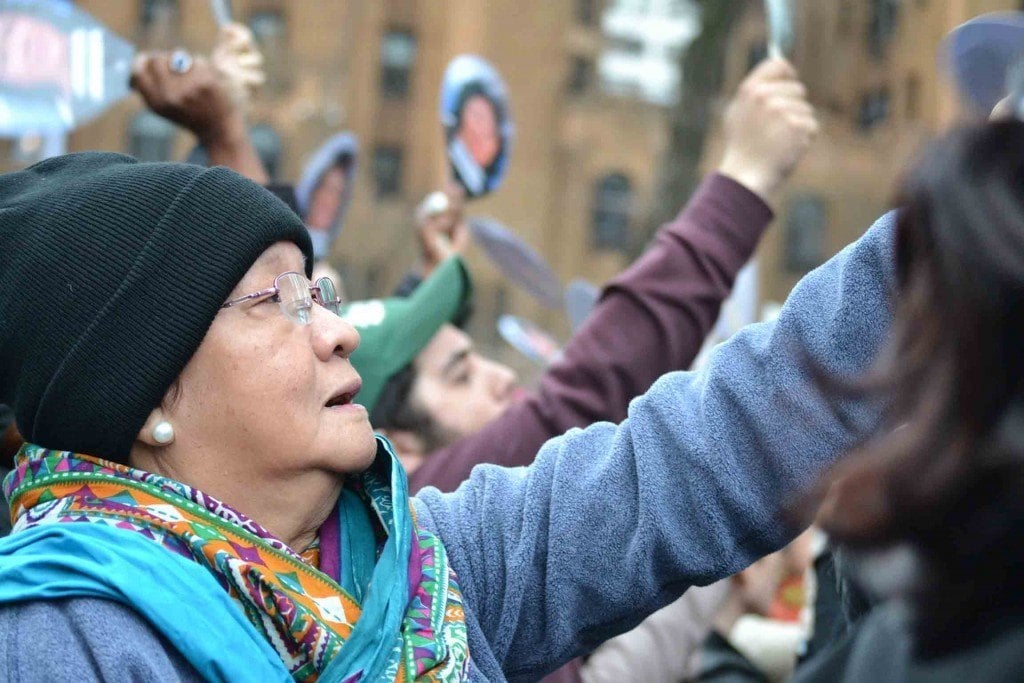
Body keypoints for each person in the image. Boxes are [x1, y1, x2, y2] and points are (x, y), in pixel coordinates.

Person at [364, 57, 820, 491]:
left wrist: (426, 279)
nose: (502, 375)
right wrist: (742, 180)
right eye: (460, 376)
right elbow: (576, 402)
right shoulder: (416, 504)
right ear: (398, 450)